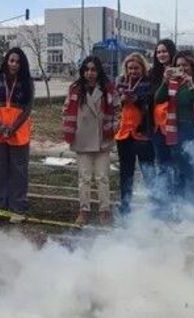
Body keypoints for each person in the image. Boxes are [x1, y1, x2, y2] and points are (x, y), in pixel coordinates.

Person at [154, 50, 194, 222]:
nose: (182, 69)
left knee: (193, 175)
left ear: (192, 65)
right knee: (179, 174)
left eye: (185, 65)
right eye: (178, 65)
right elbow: (158, 99)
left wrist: (191, 86)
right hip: (176, 131)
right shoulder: (173, 82)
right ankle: (180, 213)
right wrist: (165, 81)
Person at [62, 56, 118, 226]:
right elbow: (65, 111)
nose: (90, 73)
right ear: (82, 71)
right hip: (82, 138)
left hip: (103, 138)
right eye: (87, 69)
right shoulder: (75, 89)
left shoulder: (108, 89)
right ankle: (84, 210)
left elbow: (117, 110)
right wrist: (71, 128)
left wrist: (114, 126)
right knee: (84, 178)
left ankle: (104, 210)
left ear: (99, 70)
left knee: (102, 177)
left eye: (93, 69)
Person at [0, 47, 34, 224]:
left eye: (18, 61)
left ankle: (18, 208)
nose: (14, 64)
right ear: (6, 61)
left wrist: (13, 127)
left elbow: (27, 108)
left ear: (22, 64)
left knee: (19, 171)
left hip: (18, 132)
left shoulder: (27, 82)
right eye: (11, 60)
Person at [115, 52, 154, 217]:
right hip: (124, 134)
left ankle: (156, 205)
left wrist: (137, 99)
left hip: (142, 134)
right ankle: (125, 205)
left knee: (148, 172)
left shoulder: (148, 82)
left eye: (136, 68)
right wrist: (122, 99)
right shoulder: (120, 82)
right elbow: (115, 103)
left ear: (143, 68)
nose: (133, 71)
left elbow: (151, 103)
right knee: (126, 173)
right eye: (130, 68)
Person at [148, 39, 177, 217]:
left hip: (175, 127)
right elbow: (154, 98)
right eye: (158, 52)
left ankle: (179, 207)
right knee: (162, 167)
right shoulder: (153, 74)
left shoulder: (179, 70)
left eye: (164, 51)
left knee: (176, 168)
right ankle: (162, 208)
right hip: (158, 128)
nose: (161, 55)